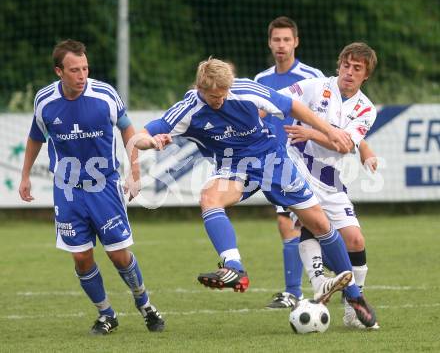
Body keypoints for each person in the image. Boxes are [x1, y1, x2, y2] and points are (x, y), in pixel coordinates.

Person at [134, 57, 377, 328]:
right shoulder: (188, 108)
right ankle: (234, 267)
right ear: (200, 88)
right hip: (233, 168)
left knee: (320, 223)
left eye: (223, 94)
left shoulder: (247, 90)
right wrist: (152, 142)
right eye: (212, 96)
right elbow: (141, 135)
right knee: (208, 197)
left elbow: (293, 106)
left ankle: (355, 296)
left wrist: (329, 131)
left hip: (272, 160)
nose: (218, 101)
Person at [18, 39, 165, 335]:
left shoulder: (105, 95)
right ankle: (106, 314)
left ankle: (145, 304)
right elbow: (36, 137)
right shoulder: (45, 101)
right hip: (68, 190)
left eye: (85, 68)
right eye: (74, 70)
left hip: (105, 188)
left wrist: (133, 171)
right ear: (59, 71)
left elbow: (128, 130)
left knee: (118, 255)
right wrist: (25, 175)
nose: (82, 75)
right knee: (82, 257)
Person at [281, 42, 379, 329]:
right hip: (298, 166)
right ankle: (319, 282)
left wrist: (311, 131)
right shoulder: (314, 86)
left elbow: (345, 144)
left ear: (365, 76)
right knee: (313, 221)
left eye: (357, 69)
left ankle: (352, 307)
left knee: (356, 241)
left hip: (331, 177)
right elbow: (279, 100)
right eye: (346, 65)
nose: (349, 72)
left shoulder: (366, 109)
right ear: (339, 65)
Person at [254, 16, 325, 308]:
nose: (281, 45)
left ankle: (297, 290)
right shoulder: (260, 80)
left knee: (306, 224)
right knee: (291, 223)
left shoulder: (312, 76)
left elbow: (324, 117)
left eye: (286, 39)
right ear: (270, 43)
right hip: (274, 162)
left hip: (308, 161)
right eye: (276, 40)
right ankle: (304, 287)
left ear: (296, 41)